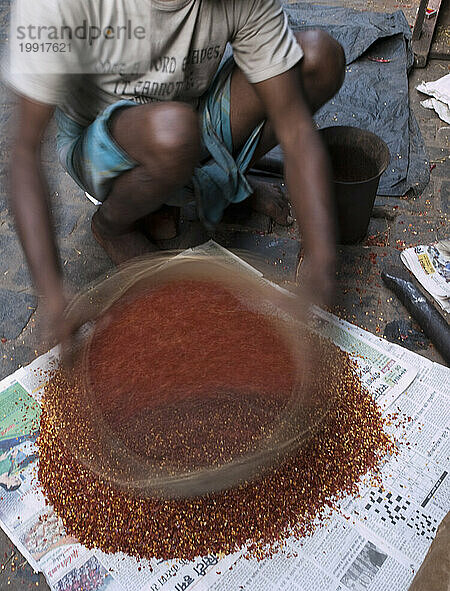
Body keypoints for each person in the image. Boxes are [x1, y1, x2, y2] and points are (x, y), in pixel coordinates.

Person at [4, 0, 345, 349]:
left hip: (191, 118)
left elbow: (296, 130)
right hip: (101, 142)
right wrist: (52, 294)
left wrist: (320, 258)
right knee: (174, 134)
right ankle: (113, 225)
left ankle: (213, 183)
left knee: (319, 59)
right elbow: (25, 152)